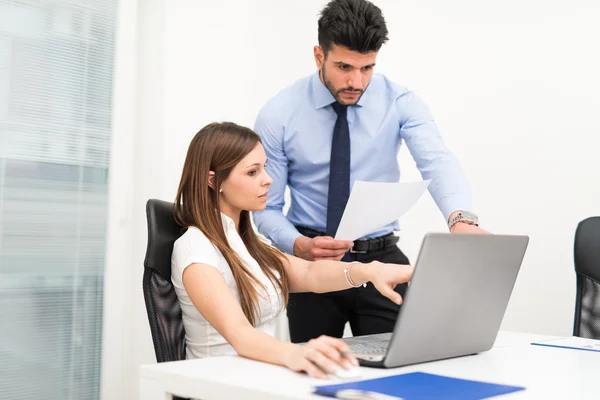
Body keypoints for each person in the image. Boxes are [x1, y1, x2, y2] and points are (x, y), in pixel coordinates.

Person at [253, 0, 488, 344]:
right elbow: (267, 209)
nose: (355, 80)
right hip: (311, 262)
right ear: (319, 56)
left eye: (367, 68)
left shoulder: (399, 101)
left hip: (380, 258)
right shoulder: (279, 114)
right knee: (309, 377)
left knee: (402, 370)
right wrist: (298, 244)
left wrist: (460, 219)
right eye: (344, 66)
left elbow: (436, 160)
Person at [170, 122, 413, 378]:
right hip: (219, 384)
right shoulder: (195, 250)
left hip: (262, 378)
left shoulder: (250, 245)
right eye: (253, 172)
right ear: (213, 181)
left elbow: (310, 273)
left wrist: (371, 271)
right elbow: (239, 334)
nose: (268, 180)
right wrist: (297, 353)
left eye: (264, 168)